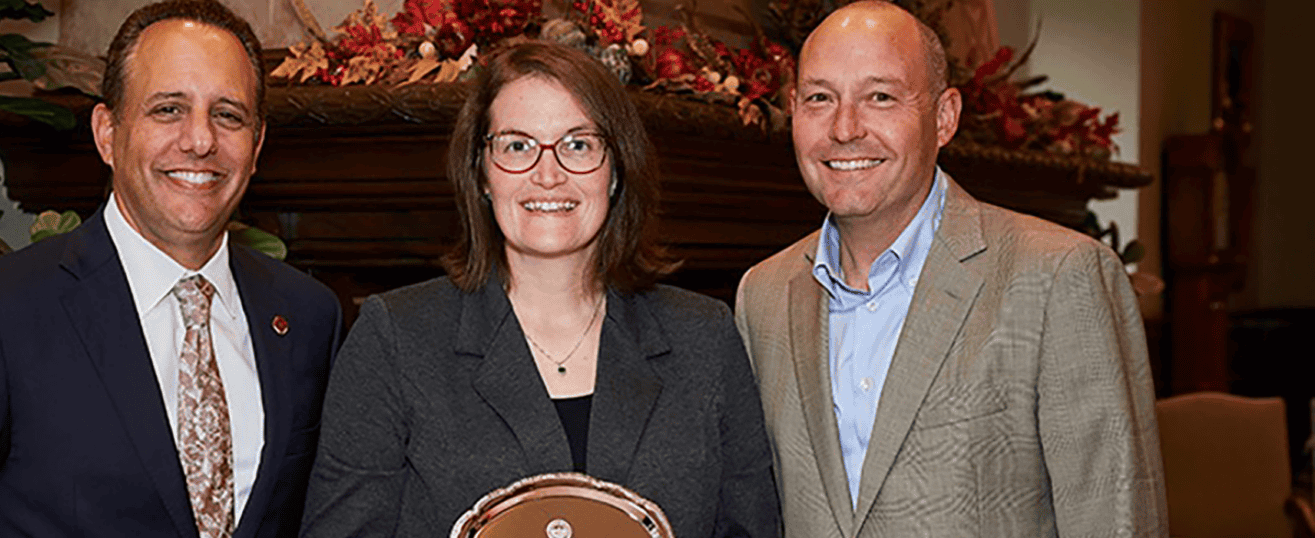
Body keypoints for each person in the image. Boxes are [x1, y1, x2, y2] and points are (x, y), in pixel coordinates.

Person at [0, 1, 341, 536]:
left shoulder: (306, 316)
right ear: (107, 133)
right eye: (168, 110)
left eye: (228, 115)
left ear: (257, 146)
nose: (201, 141)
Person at [299, 41, 780, 537]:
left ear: (615, 170)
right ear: (481, 173)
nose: (548, 175)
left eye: (578, 144)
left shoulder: (704, 337)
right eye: (517, 145)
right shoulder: (394, 340)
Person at [734, 2, 1167, 536]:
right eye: (821, 98)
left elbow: (1114, 518)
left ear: (944, 117)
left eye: (881, 97)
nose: (844, 128)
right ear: (793, 111)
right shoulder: (763, 295)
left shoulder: (1060, 276)